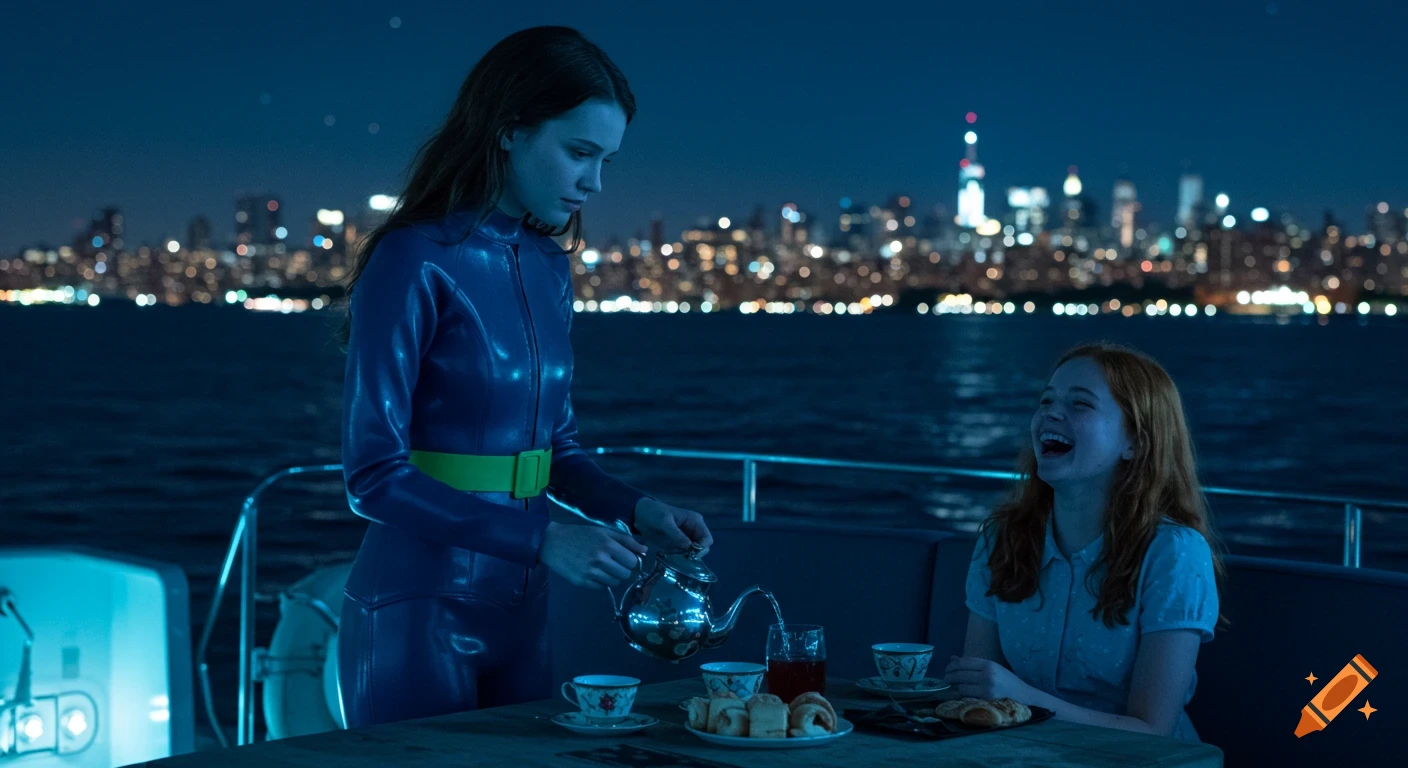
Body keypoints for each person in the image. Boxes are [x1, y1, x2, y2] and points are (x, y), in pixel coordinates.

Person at [336, 26, 713, 728]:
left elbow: (557, 451)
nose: (594, 182)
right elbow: (373, 476)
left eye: (606, 160)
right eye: (579, 153)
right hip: (417, 606)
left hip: (524, 606)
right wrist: (542, 538)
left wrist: (637, 509)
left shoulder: (549, 267)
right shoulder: (413, 259)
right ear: (509, 131)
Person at [945, 342, 1228, 742]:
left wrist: (1024, 700)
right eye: (1046, 400)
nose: (1050, 413)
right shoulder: (1002, 539)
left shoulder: (1174, 553)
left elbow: (1152, 730)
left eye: (1079, 404)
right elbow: (976, 697)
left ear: (1136, 442)